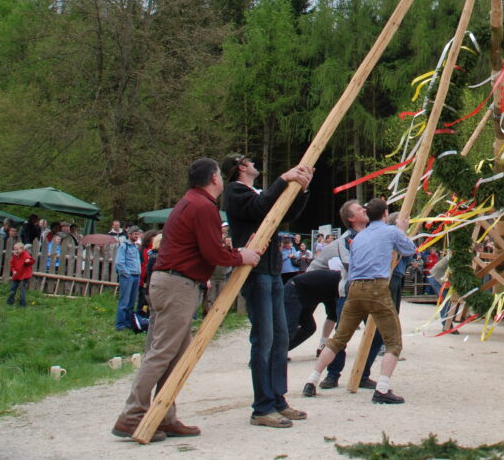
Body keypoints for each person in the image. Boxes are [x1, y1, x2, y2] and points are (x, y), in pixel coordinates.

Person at [112, 157, 262, 442]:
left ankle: (163, 415)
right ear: (214, 179)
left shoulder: (192, 202)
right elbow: (213, 252)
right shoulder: (202, 206)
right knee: (162, 352)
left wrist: (237, 251)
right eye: (219, 173)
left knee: (173, 355)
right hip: (177, 284)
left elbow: (208, 248)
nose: (221, 177)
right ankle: (132, 416)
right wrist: (243, 256)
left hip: (173, 282)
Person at [220, 152, 313, 429]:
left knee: (281, 337)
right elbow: (260, 208)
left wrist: (301, 190)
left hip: (271, 271)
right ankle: (262, 407)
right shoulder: (235, 192)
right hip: (255, 272)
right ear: (240, 168)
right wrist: (284, 179)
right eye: (248, 160)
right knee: (264, 338)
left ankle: (278, 400)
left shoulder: (256, 192)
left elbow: (285, 214)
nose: (254, 163)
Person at [302, 197, 416, 404]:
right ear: (384, 215)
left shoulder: (359, 238)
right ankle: (382, 390)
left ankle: (311, 381)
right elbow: (410, 250)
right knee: (393, 341)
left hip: (354, 289)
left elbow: (353, 265)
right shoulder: (390, 231)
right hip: (377, 288)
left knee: (338, 339)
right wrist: (400, 229)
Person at [115, 226, 143, 330]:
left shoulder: (136, 247)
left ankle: (128, 322)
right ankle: (120, 324)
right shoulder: (124, 246)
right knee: (124, 301)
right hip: (128, 276)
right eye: (135, 234)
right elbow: (119, 262)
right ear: (129, 235)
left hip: (136, 276)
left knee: (132, 301)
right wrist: (126, 273)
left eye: (138, 234)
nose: (136, 236)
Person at [6, 242, 34, 307]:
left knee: (22, 289)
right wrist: (13, 271)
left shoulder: (25, 254)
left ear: (22, 249)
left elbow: (31, 261)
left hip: (24, 275)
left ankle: (22, 303)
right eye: (14, 249)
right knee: (13, 288)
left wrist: (28, 261)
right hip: (16, 275)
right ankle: (10, 301)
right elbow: (12, 264)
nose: (16, 251)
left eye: (17, 249)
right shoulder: (15, 256)